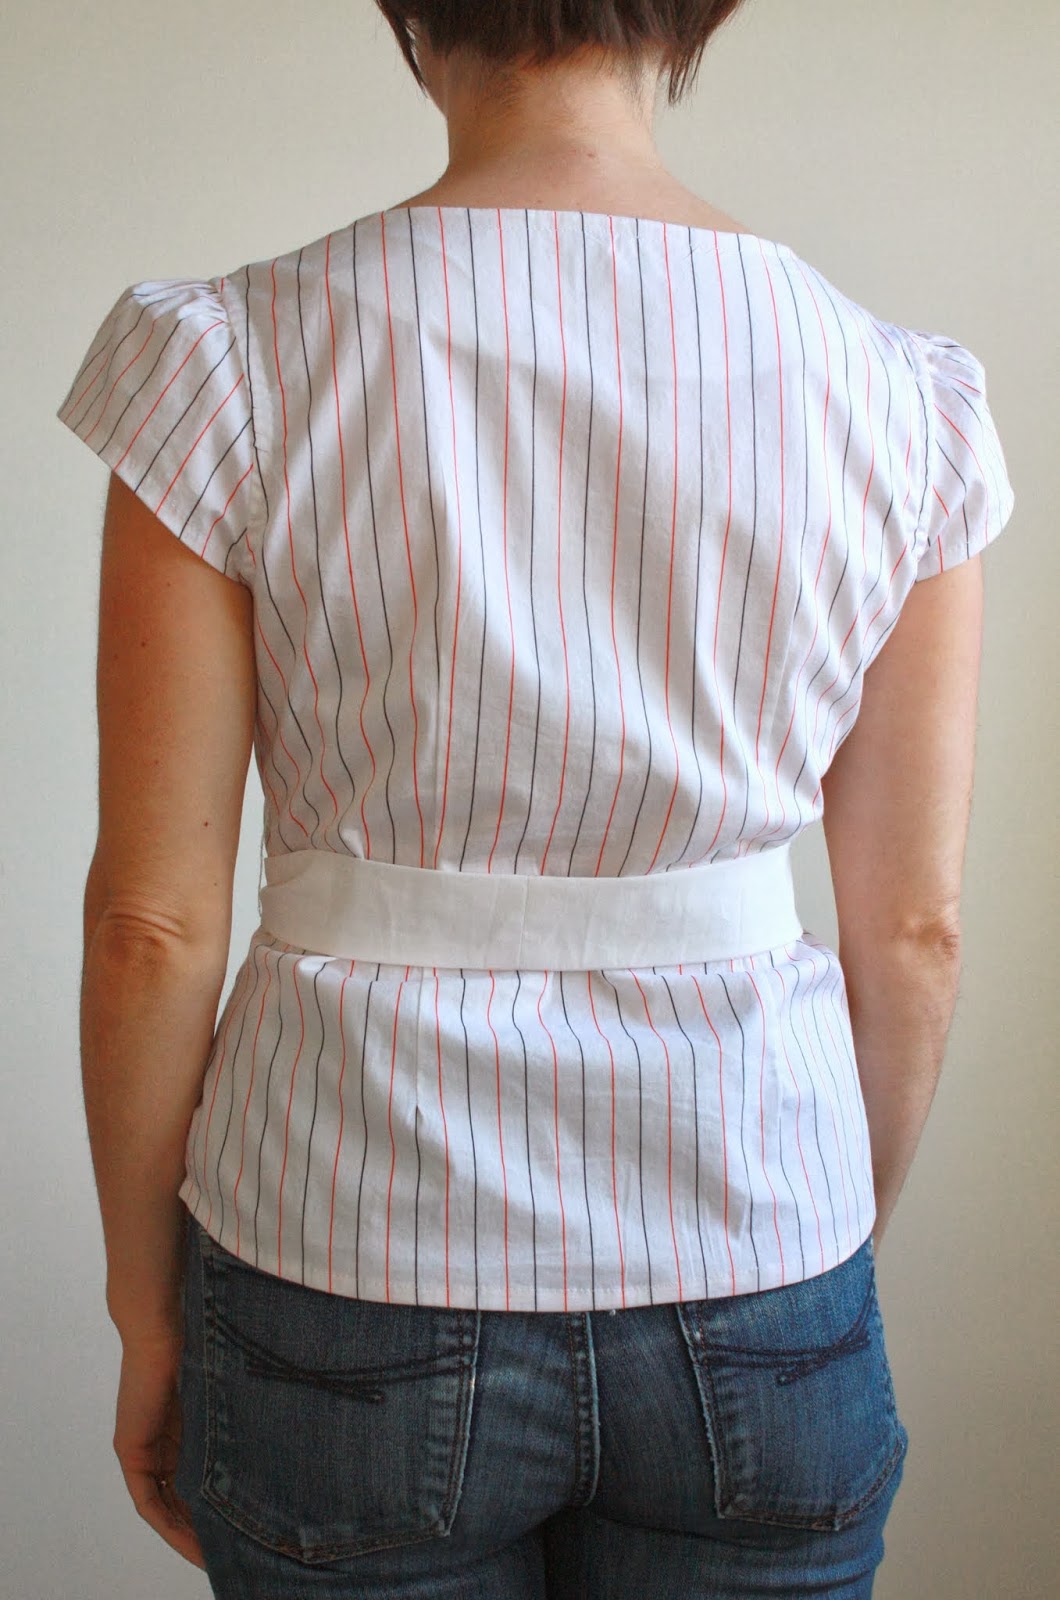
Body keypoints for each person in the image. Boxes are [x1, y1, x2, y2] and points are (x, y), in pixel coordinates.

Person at [57, 2, 1015, 1596]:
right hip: (759, 1242)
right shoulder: (899, 397)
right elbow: (914, 932)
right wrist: (822, 1239)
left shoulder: (229, 361)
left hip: (340, 1250)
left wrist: (144, 1310)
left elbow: (151, 925)